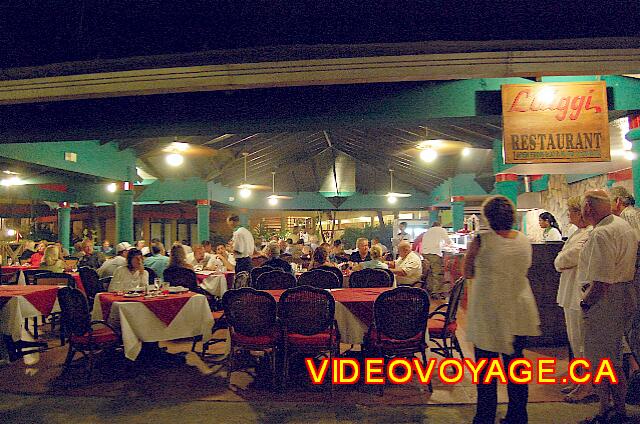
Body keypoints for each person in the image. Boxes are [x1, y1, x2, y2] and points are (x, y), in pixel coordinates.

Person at [463, 195, 540, 424]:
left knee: (486, 367)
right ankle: (518, 415)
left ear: (487, 217)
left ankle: (485, 416)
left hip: (489, 309)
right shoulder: (524, 240)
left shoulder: (481, 239)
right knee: (515, 364)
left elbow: (467, 271)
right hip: (519, 306)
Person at [577, 190, 638, 423]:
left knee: (600, 361)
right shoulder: (623, 226)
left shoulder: (601, 234)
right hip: (623, 296)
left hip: (604, 303)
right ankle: (618, 409)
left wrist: (585, 303)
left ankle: (605, 409)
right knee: (613, 358)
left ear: (588, 209)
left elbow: (601, 281)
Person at [553, 196, 593, 402]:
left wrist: (561, 259)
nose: (569, 216)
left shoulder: (589, 234)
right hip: (569, 293)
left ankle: (587, 386)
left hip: (579, 294)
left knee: (581, 343)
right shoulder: (577, 233)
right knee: (574, 341)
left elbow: (569, 257)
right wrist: (561, 259)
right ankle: (579, 380)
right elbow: (562, 257)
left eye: (571, 212)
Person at [421, 221, 452, 297]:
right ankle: (436, 292)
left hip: (425, 253)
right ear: (440, 225)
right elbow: (448, 241)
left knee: (430, 272)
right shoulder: (441, 229)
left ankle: (429, 289)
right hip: (434, 253)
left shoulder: (428, 231)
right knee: (437, 273)